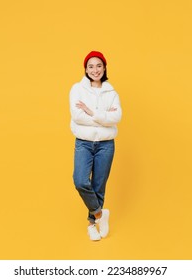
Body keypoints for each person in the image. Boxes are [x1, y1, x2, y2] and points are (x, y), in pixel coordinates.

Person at [69, 51, 122, 241]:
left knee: (98, 186)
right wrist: (103, 116)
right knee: (81, 181)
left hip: (106, 145)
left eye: (98, 65)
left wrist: (91, 112)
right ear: (85, 69)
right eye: (90, 66)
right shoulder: (77, 89)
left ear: (104, 67)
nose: (95, 70)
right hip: (83, 143)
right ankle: (100, 214)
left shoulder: (111, 92)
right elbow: (77, 116)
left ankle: (92, 224)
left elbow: (116, 118)